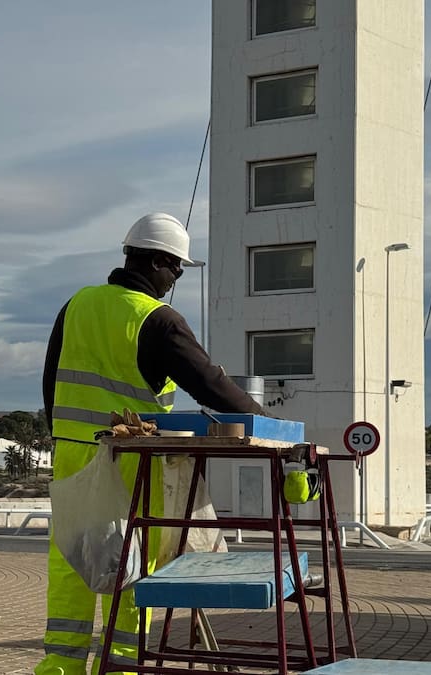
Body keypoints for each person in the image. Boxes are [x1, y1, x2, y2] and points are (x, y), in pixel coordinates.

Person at [37, 212, 267, 675]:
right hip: (131, 460)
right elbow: (211, 384)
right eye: (176, 267)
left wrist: (66, 434)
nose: (176, 277)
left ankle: (60, 666)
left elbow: (50, 382)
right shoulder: (158, 320)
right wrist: (268, 424)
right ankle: (122, 666)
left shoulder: (76, 304)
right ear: (157, 261)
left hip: (73, 456)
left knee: (74, 559)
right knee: (130, 562)